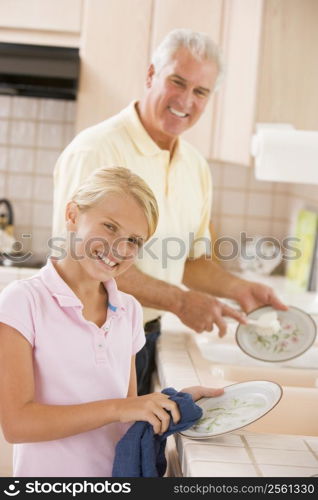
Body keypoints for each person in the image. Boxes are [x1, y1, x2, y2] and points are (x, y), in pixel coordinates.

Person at [52, 29, 287, 395]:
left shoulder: (194, 166)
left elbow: (190, 259)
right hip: (86, 337)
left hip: (144, 334)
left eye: (200, 91)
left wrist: (239, 288)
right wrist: (178, 301)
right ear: (150, 76)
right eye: (177, 82)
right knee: (82, 450)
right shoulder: (96, 150)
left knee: (126, 451)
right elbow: (85, 258)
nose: (185, 100)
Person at [0, 166, 223, 477]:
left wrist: (170, 403)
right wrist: (121, 407)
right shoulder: (23, 302)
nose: (120, 249)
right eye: (109, 226)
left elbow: (127, 414)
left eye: (133, 240)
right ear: (72, 215)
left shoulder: (128, 310)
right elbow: (17, 425)